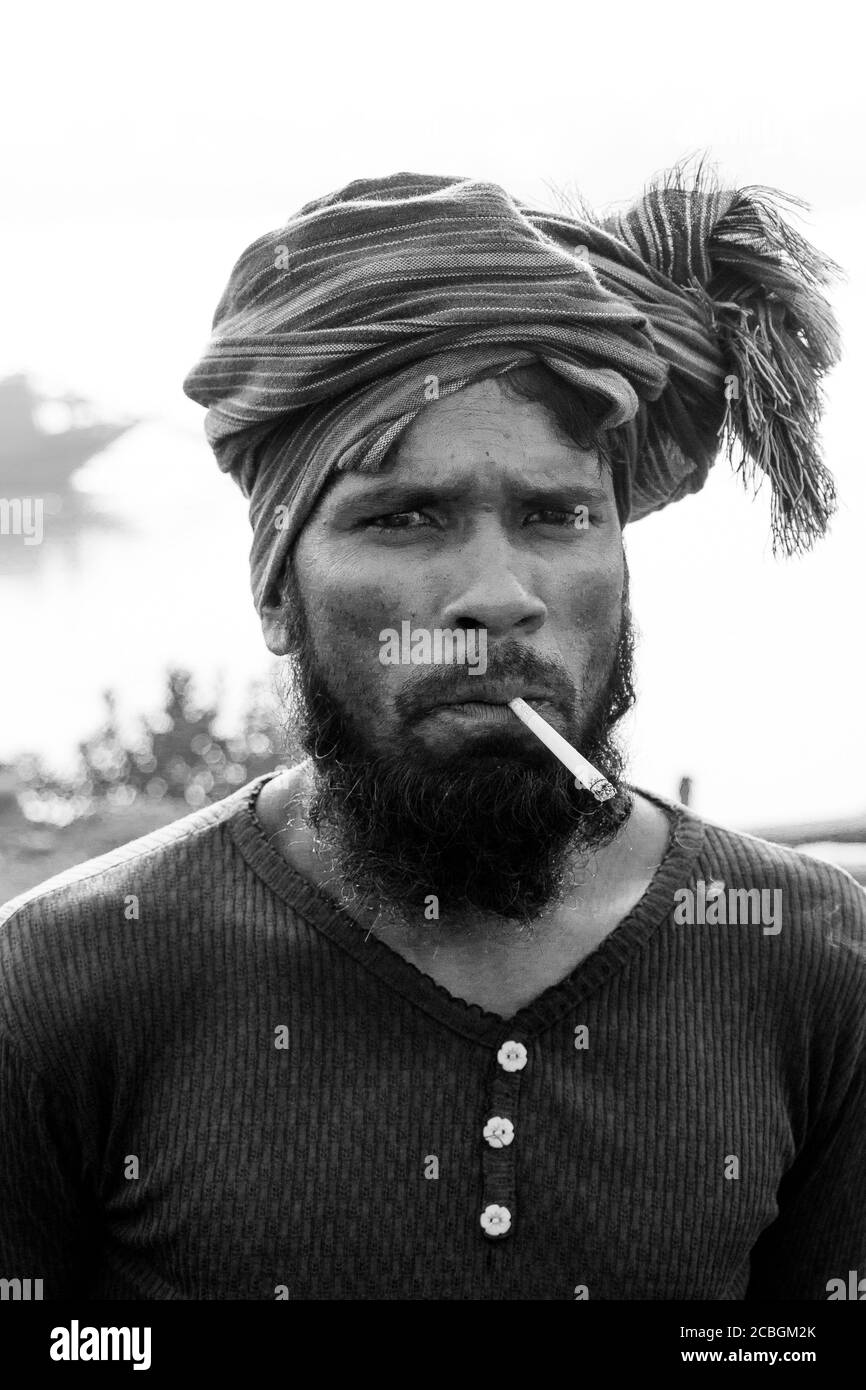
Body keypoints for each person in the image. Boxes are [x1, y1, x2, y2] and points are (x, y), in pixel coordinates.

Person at [1, 168, 863, 1301]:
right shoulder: (59, 987)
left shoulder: (816, 969)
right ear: (277, 590)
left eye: (556, 514)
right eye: (404, 517)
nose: (497, 596)